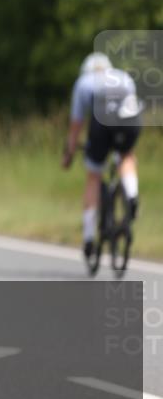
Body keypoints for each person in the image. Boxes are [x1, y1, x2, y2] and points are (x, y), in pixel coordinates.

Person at [61, 52, 142, 259]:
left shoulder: (83, 83)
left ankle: (88, 237)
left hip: (101, 122)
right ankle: (131, 196)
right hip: (129, 119)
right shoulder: (123, 77)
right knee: (126, 156)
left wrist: (69, 152)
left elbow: (76, 126)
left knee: (94, 176)